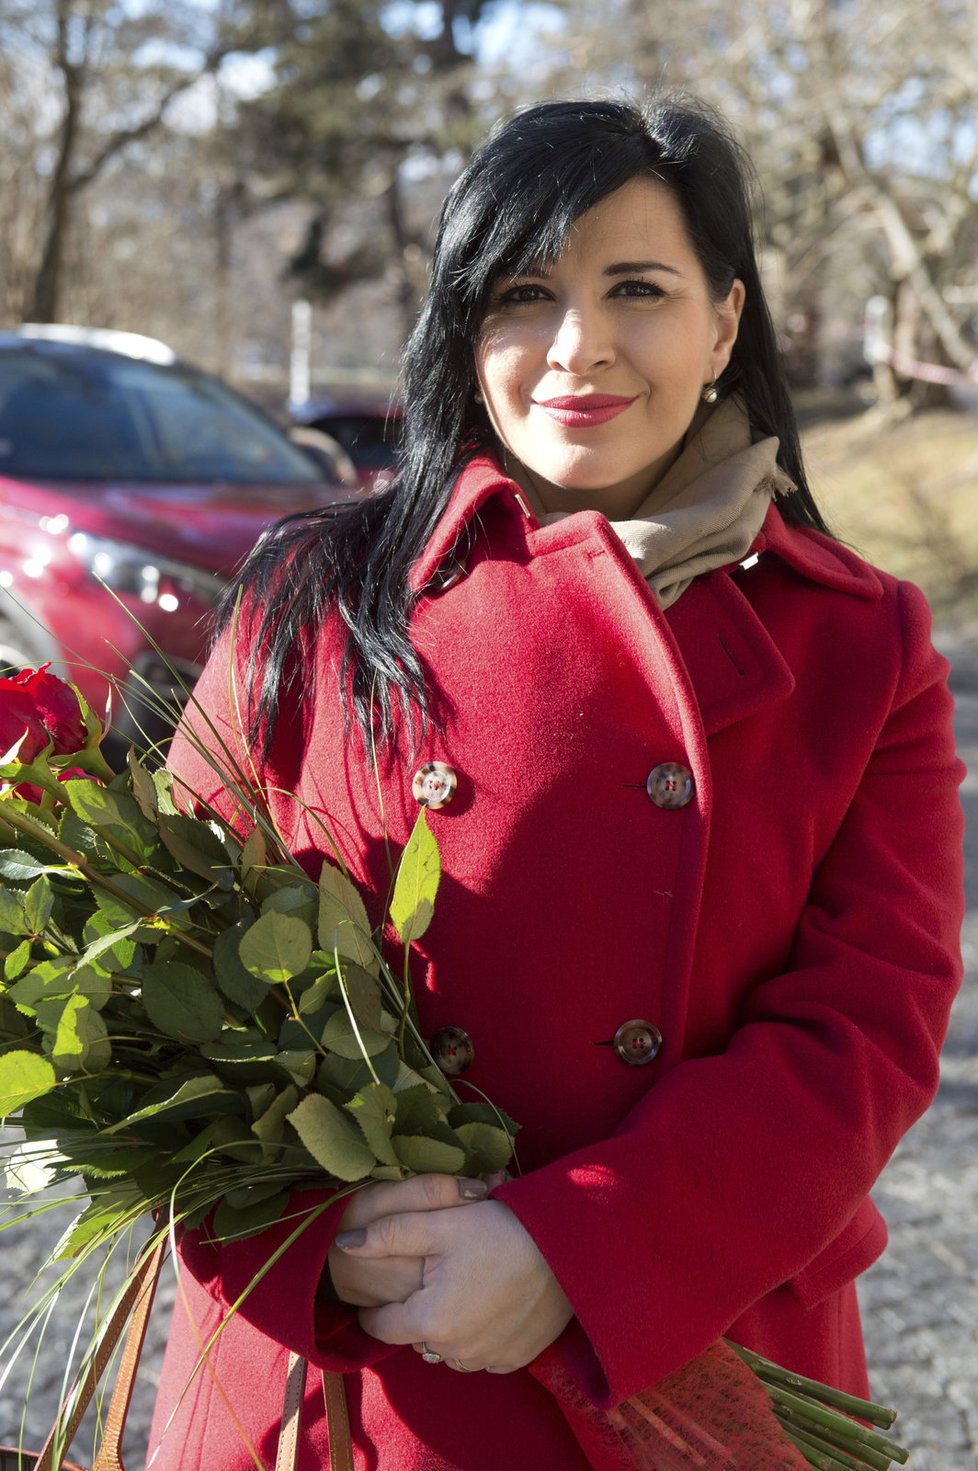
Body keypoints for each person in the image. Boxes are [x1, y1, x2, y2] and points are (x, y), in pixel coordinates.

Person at [151, 96, 965, 1471]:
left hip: (684, 1346)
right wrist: (329, 1239)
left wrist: (572, 1245)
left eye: (634, 290)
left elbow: (867, 1024)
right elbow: (163, 964)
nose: (576, 346)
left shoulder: (858, 643)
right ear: (464, 331)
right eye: (524, 293)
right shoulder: (317, 597)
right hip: (354, 1375)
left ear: (722, 323)